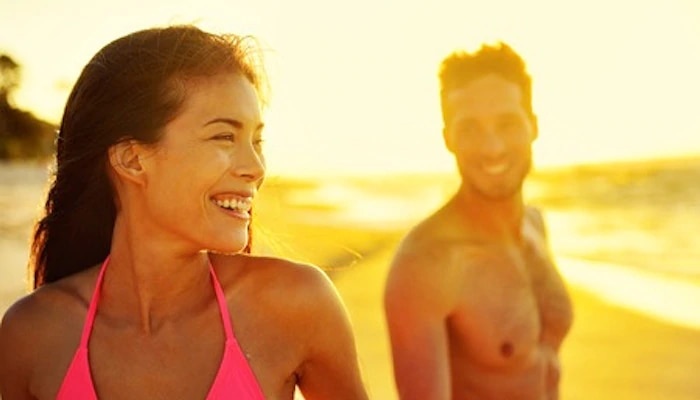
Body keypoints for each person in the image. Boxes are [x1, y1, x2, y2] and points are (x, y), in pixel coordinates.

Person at [0, 25, 369, 400]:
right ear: (132, 159)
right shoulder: (32, 336)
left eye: (256, 141)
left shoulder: (296, 305)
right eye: (224, 136)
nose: (256, 168)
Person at [384, 42, 574, 400]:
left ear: (533, 125)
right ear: (448, 138)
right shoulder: (426, 264)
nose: (493, 147)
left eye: (507, 123)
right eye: (470, 128)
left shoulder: (535, 225)